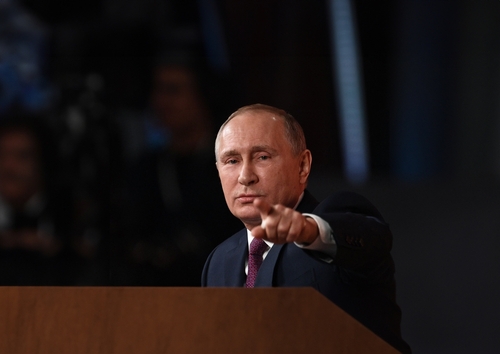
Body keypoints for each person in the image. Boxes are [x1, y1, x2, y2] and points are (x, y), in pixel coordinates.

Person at [201, 104, 411, 353]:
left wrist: (308, 231)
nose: (245, 176)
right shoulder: (219, 262)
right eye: (232, 160)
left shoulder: (330, 223)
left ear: (302, 166)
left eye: (262, 157)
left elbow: (369, 238)